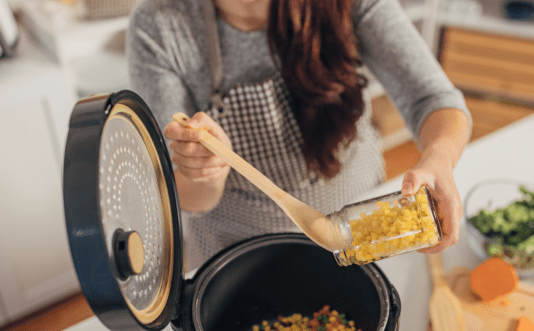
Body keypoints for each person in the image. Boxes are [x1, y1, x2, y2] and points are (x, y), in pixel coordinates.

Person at [127, 0, 472, 271]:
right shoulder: (159, 25)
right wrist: (208, 171)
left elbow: (433, 99)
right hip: (241, 250)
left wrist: (439, 157)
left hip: (361, 228)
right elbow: (189, 197)